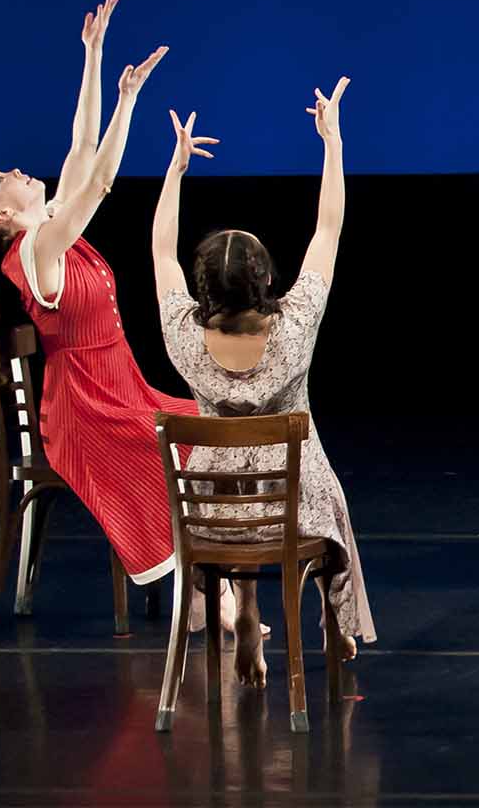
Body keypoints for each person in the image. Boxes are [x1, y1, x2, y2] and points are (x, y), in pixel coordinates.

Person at [0, 0, 219, 605]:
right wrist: (130, 102)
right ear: (3, 214)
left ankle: (208, 592)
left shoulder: (48, 226)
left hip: (119, 388)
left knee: (209, 428)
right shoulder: (35, 253)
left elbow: (84, 150)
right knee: (184, 442)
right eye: (2, 178)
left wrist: (95, 56)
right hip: (87, 412)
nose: (15, 170)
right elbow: (101, 182)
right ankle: (214, 597)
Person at [151, 79, 375, 686]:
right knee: (328, 501)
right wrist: (333, 143)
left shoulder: (181, 337)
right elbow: (328, 230)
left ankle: (246, 611)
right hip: (291, 511)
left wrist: (174, 172)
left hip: (212, 516)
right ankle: (334, 621)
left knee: (250, 500)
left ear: (203, 289)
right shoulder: (295, 326)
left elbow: (160, 252)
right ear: (266, 278)